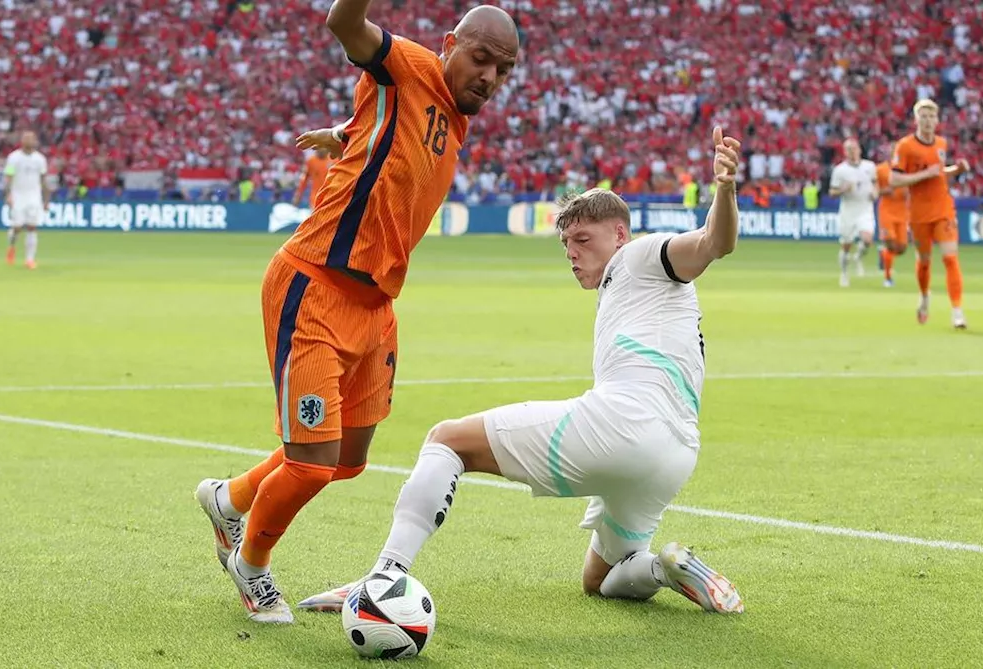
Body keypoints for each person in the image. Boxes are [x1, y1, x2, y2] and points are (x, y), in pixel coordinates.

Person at [299, 127, 747, 616]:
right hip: (674, 453)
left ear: (620, 233)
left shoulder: (642, 256)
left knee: (447, 439)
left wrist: (724, 187)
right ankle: (667, 566)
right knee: (599, 581)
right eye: (565, 244)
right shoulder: (632, 286)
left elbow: (712, 243)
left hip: (623, 425)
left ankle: (383, 578)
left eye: (582, 239)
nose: (572, 253)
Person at [193, 2, 519, 624]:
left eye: (504, 71)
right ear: (451, 43)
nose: (490, 78)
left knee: (346, 460)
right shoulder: (408, 64)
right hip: (313, 286)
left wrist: (345, 133)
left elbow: (396, 142)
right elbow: (345, 26)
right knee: (310, 465)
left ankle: (229, 500)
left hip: (375, 307)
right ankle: (252, 565)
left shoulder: (453, 117)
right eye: (481, 59)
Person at [891, 100, 971, 328]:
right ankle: (925, 296)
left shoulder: (941, 144)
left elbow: (938, 174)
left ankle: (957, 311)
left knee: (950, 257)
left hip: (943, 208)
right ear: (916, 120)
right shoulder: (905, 146)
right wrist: (924, 175)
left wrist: (956, 170)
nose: (927, 121)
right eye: (923, 116)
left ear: (937, 121)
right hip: (918, 213)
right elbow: (895, 179)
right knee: (924, 261)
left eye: (931, 116)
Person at [828, 138, 877, 287]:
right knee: (846, 245)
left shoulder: (869, 166)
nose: (852, 152)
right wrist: (843, 189)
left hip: (865, 209)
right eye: (848, 149)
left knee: (867, 239)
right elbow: (832, 192)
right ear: (844, 152)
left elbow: (875, 183)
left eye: (854, 148)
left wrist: (875, 193)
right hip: (848, 211)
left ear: (859, 150)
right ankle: (844, 273)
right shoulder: (840, 170)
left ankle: (858, 257)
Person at [3, 131, 49, 269]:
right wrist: (8, 194)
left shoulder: (40, 159)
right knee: (17, 227)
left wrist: (46, 199)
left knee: (32, 227)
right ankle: (11, 244)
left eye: (32, 138)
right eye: (26, 138)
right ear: (21, 141)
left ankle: (30, 259)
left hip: (34, 196)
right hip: (18, 195)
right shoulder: (13, 158)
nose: (29, 141)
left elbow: (43, 179)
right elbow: (9, 176)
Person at [875, 143, 910, 288]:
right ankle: (888, 278)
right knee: (890, 242)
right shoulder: (880, 170)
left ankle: (883, 254)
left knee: (901, 248)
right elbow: (874, 191)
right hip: (887, 210)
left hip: (902, 212)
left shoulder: (908, 170)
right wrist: (884, 191)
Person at [293, 144, 340, 208]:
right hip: (315, 198)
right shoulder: (310, 161)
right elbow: (304, 179)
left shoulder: (334, 160)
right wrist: (298, 195)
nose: (321, 149)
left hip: (331, 197)